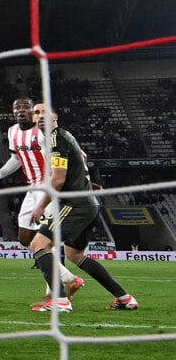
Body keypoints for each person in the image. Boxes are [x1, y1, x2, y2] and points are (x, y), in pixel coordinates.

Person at [27, 103, 138, 313]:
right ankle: (124, 297)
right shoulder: (66, 136)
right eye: (37, 113)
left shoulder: (56, 138)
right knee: (74, 254)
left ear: (55, 116)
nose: (40, 116)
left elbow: (58, 180)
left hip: (75, 204)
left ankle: (60, 300)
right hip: (88, 203)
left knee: (38, 244)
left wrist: (41, 206)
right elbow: (82, 158)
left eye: (45, 112)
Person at [0, 97, 83, 305]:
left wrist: (81, 178)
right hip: (32, 188)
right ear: (12, 112)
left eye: (26, 108)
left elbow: (76, 153)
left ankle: (56, 291)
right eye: (16, 107)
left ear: (34, 112)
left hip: (49, 187)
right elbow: (16, 158)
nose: (21, 110)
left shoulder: (46, 131)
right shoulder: (12, 132)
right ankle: (68, 279)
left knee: (48, 240)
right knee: (25, 236)